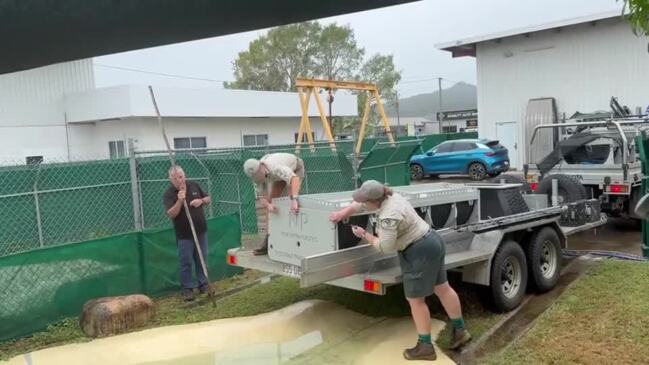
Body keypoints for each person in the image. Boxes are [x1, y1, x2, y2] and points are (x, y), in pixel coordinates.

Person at [329, 180, 471, 361]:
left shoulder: (389, 215)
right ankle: (460, 331)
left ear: (375, 201)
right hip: (432, 240)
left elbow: (385, 247)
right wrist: (343, 213)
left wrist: (364, 235)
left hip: (419, 251)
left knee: (415, 300)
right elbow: (360, 203)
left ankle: (425, 347)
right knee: (442, 288)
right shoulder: (390, 195)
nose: (363, 204)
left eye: (366, 201)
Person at [163, 165, 212, 302]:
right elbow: (171, 214)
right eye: (175, 178)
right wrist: (179, 200)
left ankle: (203, 285)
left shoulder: (194, 185)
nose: (179, 180)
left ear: (184, 176)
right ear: (170, 179)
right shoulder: (169, 194)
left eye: (181, 176)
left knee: (201, 259)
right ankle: (187, 289)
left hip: (200, 231)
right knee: (186, 262)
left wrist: (201, 201)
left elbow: (208, 198)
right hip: (184, 235)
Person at [243, 152, 304, 255]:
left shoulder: (276, 168)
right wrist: (269, 205)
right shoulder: (257, 178)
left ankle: (294, 239)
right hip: (278, 177)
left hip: (295, 169)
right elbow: (262, 198)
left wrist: (294, 200)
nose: (258, 179)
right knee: (272, 202)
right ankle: (268, 241)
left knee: (291, 202)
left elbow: (294, 179)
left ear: (261, 166)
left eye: (258, 175)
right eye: (255, 178)